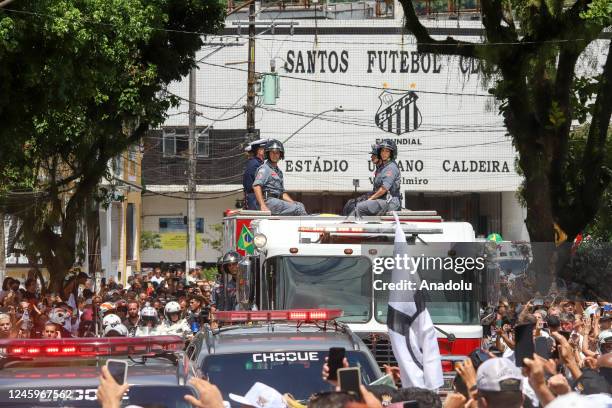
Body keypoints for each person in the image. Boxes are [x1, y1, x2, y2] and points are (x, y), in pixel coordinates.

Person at [252, 139, 307, 216]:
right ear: (268, 154)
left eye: (277, 153)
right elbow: (256, 186)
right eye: (272, 152)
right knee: (299, 209)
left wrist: (292, 203)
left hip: (276, 200)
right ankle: (305, 227)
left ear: (280, 154)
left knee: (300, 205)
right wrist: (262, 205)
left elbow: (282, 193)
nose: (275, 155)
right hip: (268, 201)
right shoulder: (265, 169)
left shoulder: (279, 172)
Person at [355, 139, 401, 217]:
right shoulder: (383, 167)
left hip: (389, 202)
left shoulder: (391, 168)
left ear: (391, 153)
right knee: (359, 202)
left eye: (387, 151)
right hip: (383, 200)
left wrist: (370, 199)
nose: (384, 153)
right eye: (382, 151)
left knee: (360, 207)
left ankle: (362, 228)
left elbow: (384, 189)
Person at [342, 144, 381, 216]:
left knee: (356, 207)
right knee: (350, 203)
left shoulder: (386, 169)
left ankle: (350, 222)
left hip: (381, 200)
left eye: (374, 155)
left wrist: (370, 198)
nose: (371, 157)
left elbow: (383, 190)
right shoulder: (379, 169)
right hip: (376, 197)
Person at [243, 138, 268, 210]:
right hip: (254, 198)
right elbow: (250, 185)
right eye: (264, 149)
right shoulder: (255, 164)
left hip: (256, 197)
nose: (266, 151)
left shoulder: (257, 163)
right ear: (259, 151)